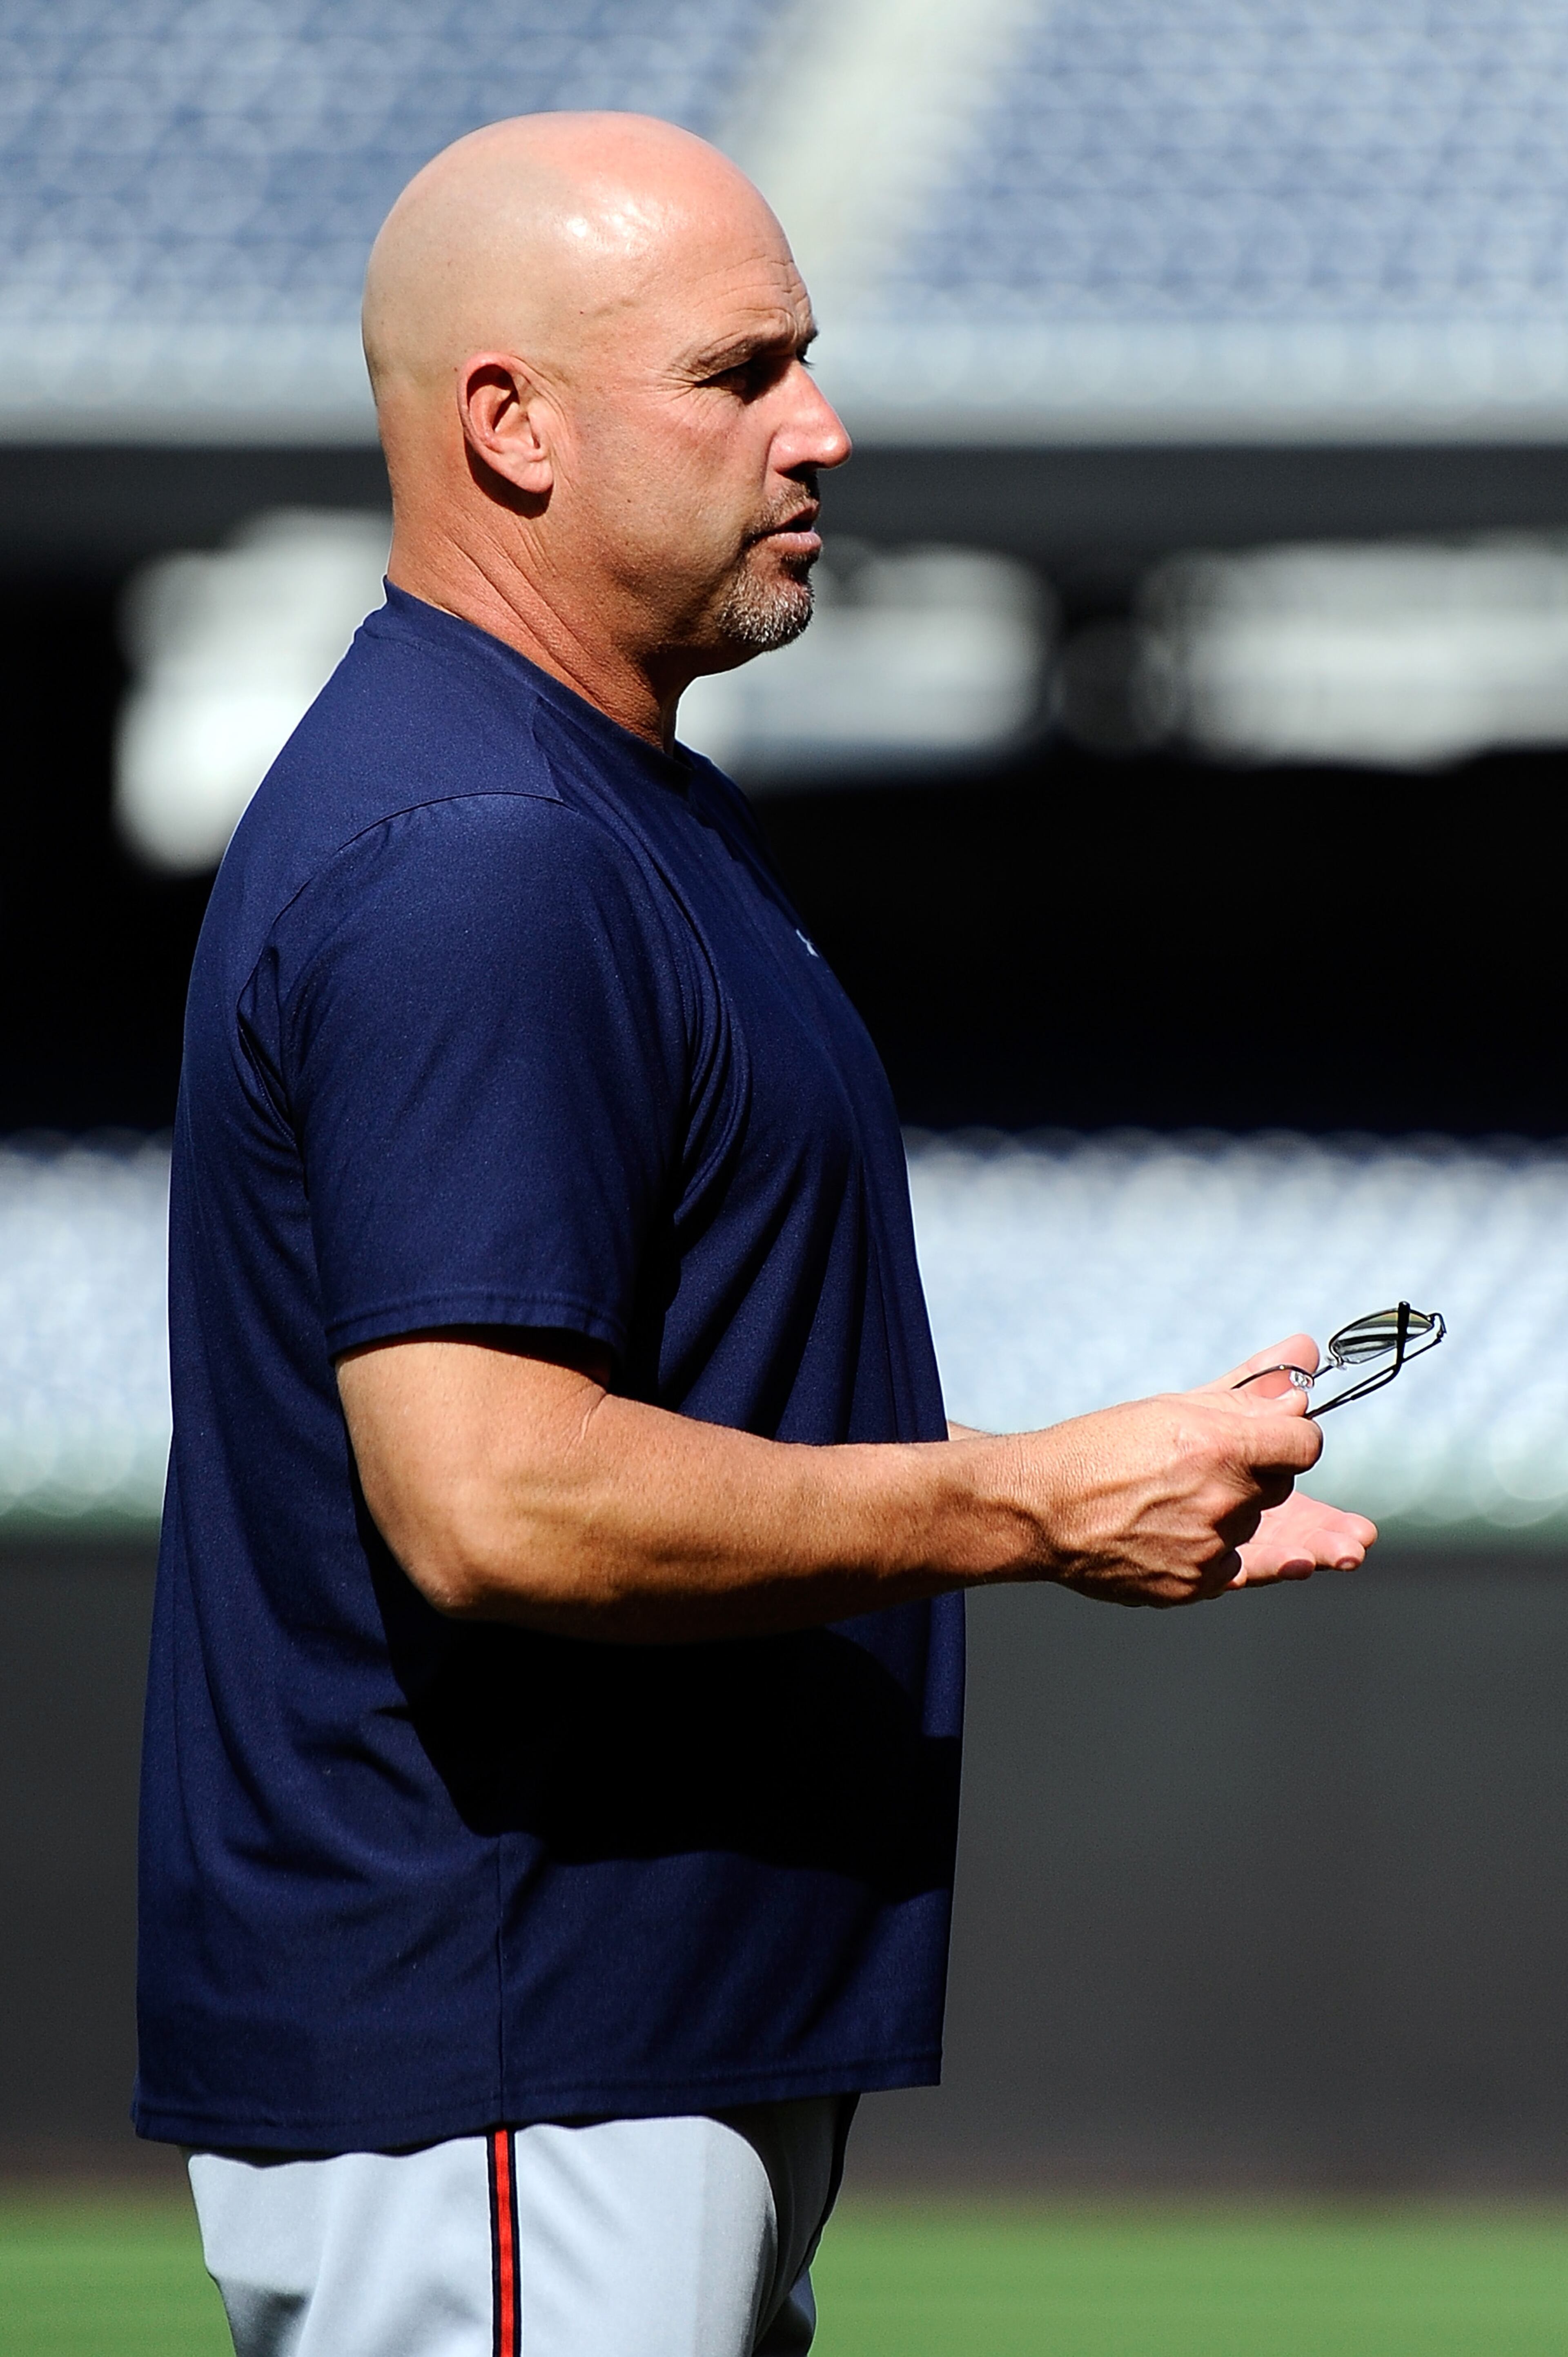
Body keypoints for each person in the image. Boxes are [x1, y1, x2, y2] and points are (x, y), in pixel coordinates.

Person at [135, 111, 1376, 2357]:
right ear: (509, 424)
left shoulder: (596, 801)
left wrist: (1070, 1470)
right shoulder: (480, 850)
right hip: (515, 2057)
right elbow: (491, 1497)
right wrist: (1022, 1501)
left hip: (599, 2060)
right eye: (743, 372)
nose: (826, 423)